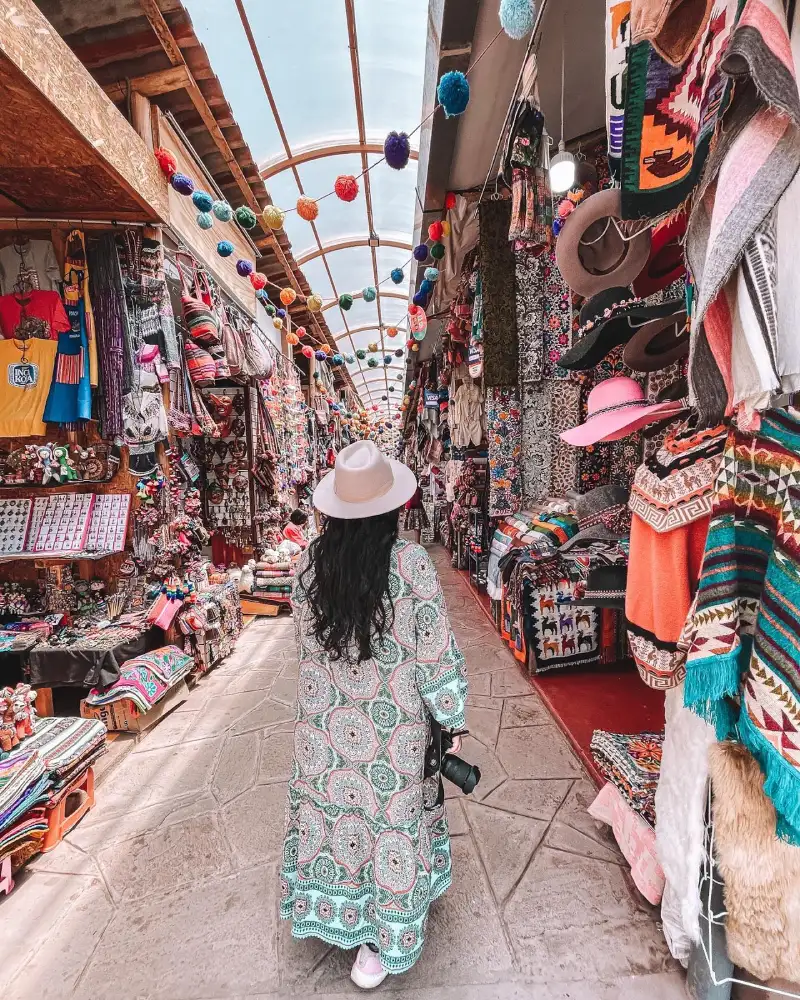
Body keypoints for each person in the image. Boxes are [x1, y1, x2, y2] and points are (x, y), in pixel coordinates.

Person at [280, 440, 468, 989]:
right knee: (389, 822)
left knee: (341, 818)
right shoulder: (408, 564)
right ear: (391, 506)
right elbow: (435, 650)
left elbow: (304, 650)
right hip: (393, 730)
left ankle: (334, 909)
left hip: (325, 729)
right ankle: (379, 934)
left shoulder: (308, 567)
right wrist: (451, 714)